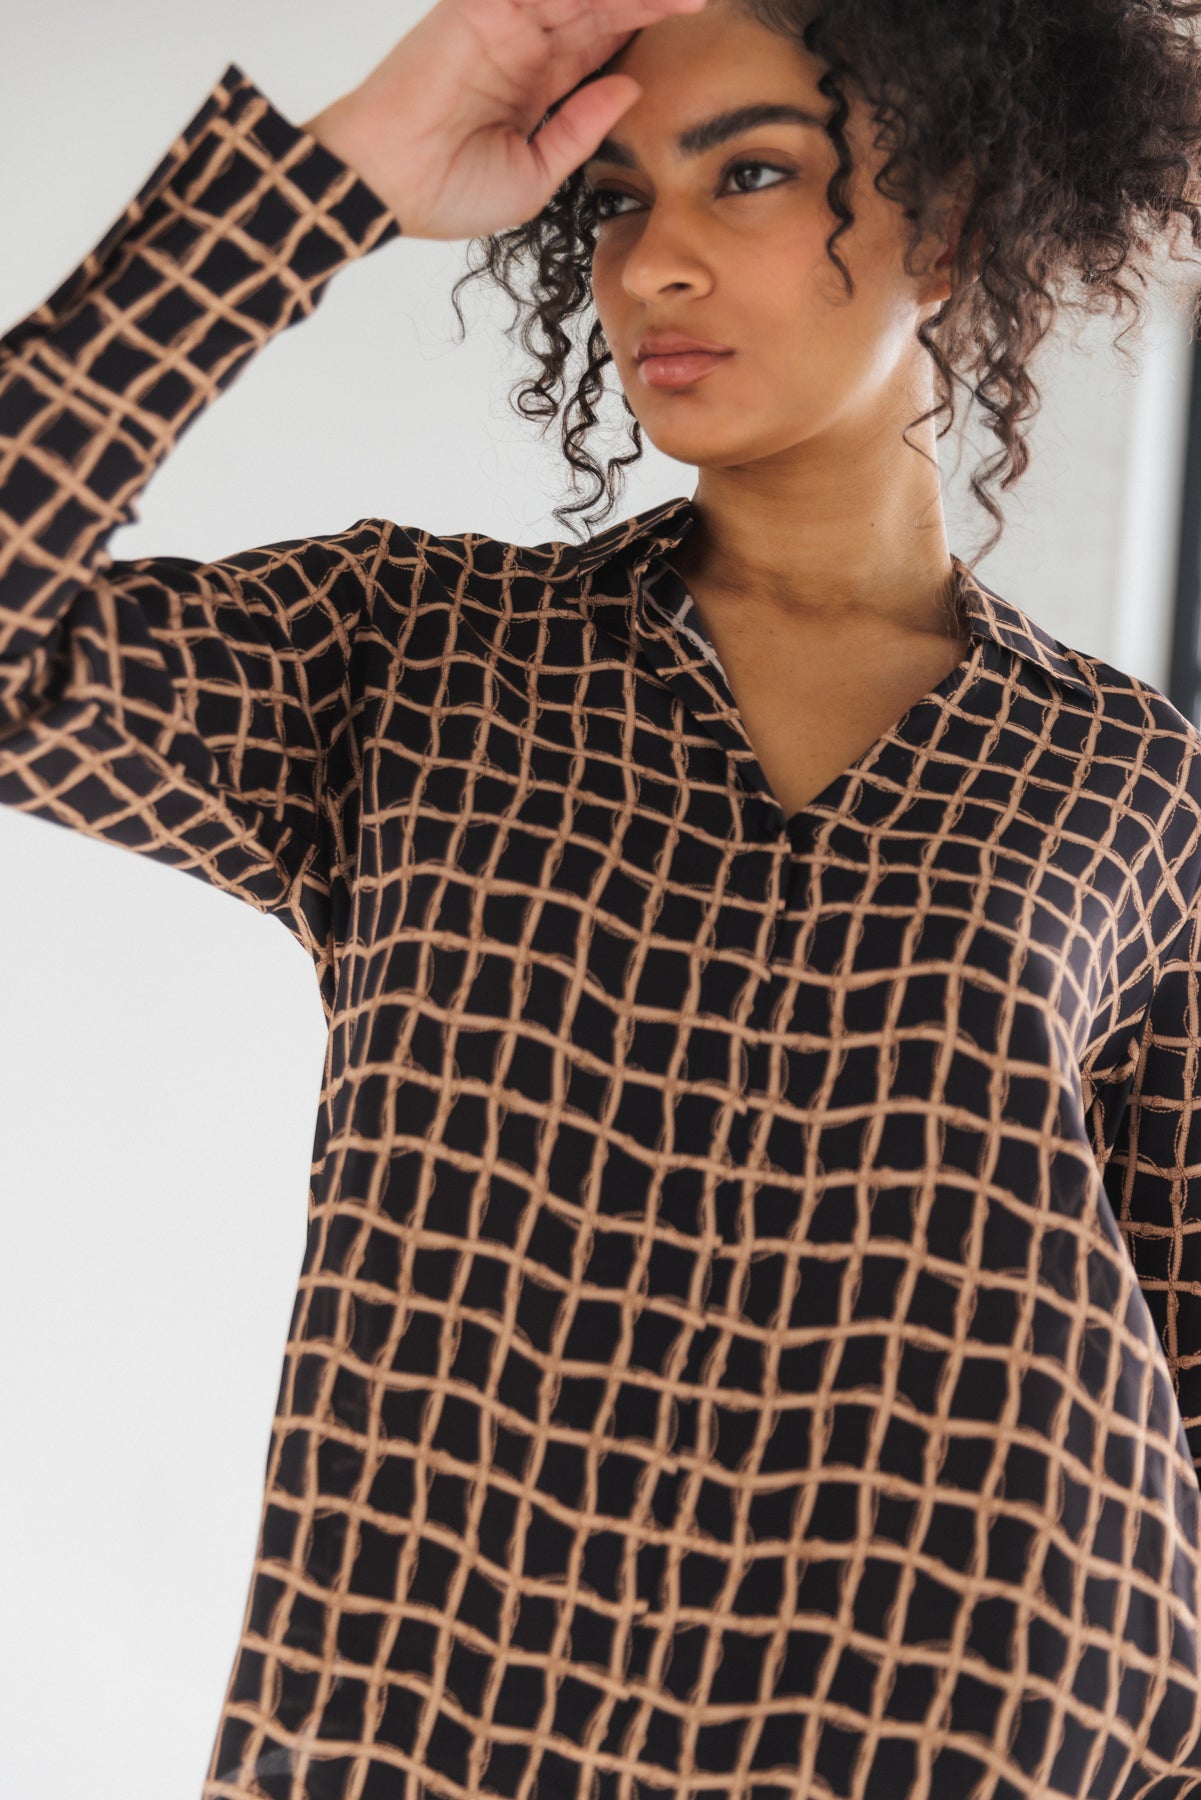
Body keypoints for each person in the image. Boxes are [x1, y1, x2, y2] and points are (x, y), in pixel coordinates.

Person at [4, 0, 1201, 1794]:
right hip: (436, 1720)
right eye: (618, 197)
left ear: (944, 224)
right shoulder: (412, 658)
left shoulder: (1130, 786)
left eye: (753, 174)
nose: (655, 259)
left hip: (979, 1725)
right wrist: (332, 179)